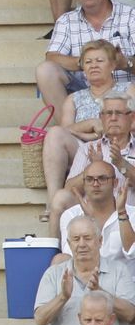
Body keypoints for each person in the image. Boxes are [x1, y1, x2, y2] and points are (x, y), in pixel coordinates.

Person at [34, 213, 135, 325]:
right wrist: (63, 297)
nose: (82, 244)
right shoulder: (54, 274)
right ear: (69, 244)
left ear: (100, 241)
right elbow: (40, 319)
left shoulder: (119, 270)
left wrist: (102, 293)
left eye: (87, 238)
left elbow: (131, 315)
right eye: (76, 239)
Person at [37, 0, 135, 117]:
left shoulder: (130, 15)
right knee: (45, 70)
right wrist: (85, 62)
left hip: (126, 91)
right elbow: (52, 57)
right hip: (84, 90)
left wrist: (125, 62)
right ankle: (70, 127)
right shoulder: (66, 21)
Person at [45, 46, 133, 209]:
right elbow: (64, 131)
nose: (93, 65)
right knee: (54, 133)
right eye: (88, 62)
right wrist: (90, 125)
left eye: (99, 61)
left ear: (113, 65)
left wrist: (102, 130)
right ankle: (52, 201)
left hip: (123, 146)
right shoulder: (74, 98)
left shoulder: (128, 89)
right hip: (85, 151)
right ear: (83, 68)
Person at [56, 103, 135, 232]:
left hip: (129, 216)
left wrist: (121, 164)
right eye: (108, 113)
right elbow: (69, 189)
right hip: (90, 216)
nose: (113, 118)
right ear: (101, 118)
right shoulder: (88, 148)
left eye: (118, 113)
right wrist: (95, 167)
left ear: (131, 118)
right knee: (60, 197)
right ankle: (52, 244)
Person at [56, 152, 135, 268]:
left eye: (102, 179)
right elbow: (73, 256)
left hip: (122, 277)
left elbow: (132, 253)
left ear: (115, 183)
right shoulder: (71, 215)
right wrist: (90, 221)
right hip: (86, 276)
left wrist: (122, 212)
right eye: (89, 179)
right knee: (59, 260)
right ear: (84, 184)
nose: (95, 184)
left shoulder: (132, 214)